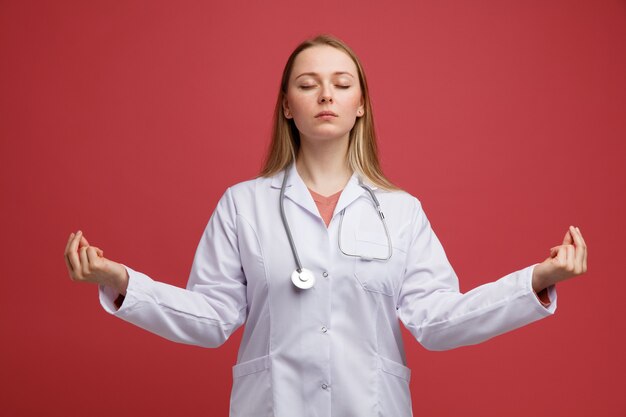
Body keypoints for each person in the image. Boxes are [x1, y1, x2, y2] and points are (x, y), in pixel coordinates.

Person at [64, 34, 588, 417]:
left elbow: (437, 321)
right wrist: (122, 284)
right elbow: (212, 318)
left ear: (361, 106)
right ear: (287, 107)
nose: (325, 95)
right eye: (307, 85)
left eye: (342, 84)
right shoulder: (243, 205)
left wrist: (534, 283)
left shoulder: (400, 210)